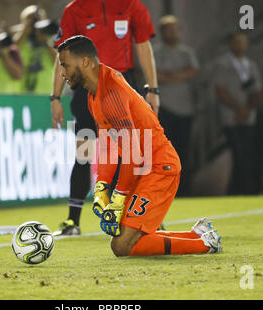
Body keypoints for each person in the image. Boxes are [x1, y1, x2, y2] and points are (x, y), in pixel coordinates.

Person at [57, 35, 222, 256]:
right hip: (142, 169)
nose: (62, 73)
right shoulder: (94, 92)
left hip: (157, 168)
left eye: (65, 65)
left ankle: (204, 244)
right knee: (127, 241)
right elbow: (107, 142)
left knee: (122, 246)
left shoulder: (111, 92)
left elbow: (132, 153)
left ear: (85, 62)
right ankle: (197, 235)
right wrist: (101, 187)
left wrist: (118, 197)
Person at [51, 0, 160, 236]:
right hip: (87, 89)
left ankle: (145, 216)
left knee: (133, 152)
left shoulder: (131, 5)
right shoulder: (75, 9)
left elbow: (143, 44)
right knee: (84, 152)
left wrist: (153, 89)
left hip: (122, 85)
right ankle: (73, 221)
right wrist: (55, 97)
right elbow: (62, 55)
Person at [154, 15, 199, 197]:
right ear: (162, 32)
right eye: (167, 29)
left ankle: (184, 190)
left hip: (185, 109)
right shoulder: (155, 52)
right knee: (163, 154)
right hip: (164, 108)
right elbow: (155, 75)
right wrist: (178, 75)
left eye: (174, 28)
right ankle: (164, 190)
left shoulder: (187, 53)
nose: (171, 32)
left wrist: (168, 76)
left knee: (184, 151)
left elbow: (193, 72)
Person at [214, 32, 262, 195]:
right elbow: (220, 90)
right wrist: (239, 109)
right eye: (237, 42)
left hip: (249, 117)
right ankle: (240, 190)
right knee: (239, 154)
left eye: (243, 42)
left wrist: (247, 109)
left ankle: (241, 190)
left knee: (248, 154)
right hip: (231, 117)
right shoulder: (223, 64)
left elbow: (257, 91)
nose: (240, 45)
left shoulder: (251, 65)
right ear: (230, 44)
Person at [13, 5, 58, 94]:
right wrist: (23, 33)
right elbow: (10, 52)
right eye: (30, 20)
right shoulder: (20, 38)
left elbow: (60, 62)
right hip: (22, 91)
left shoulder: (51, 39)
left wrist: (46, 42)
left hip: (45, 91)